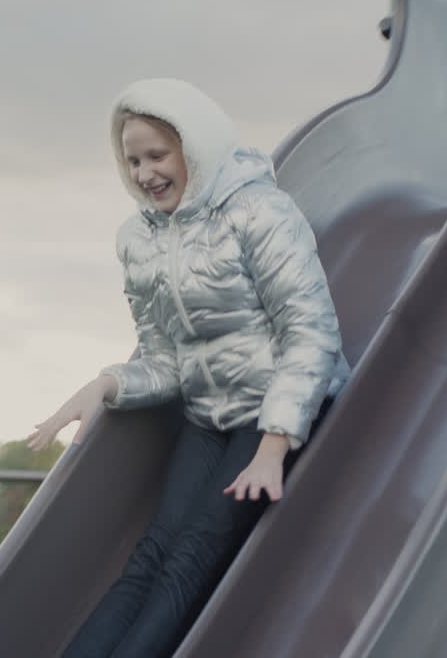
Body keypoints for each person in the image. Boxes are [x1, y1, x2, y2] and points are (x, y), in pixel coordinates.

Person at [27, 78, 349, 658]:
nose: (145, 173)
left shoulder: (260, 212)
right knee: (151, 555)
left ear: (194, 148)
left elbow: (310, 332)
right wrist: (106, 384)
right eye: (132, 160)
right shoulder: (140, 240)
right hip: (208, 413)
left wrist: (274, 447)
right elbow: (165, 360)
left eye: (158, 155)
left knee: (191, 558)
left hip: (280, 409)